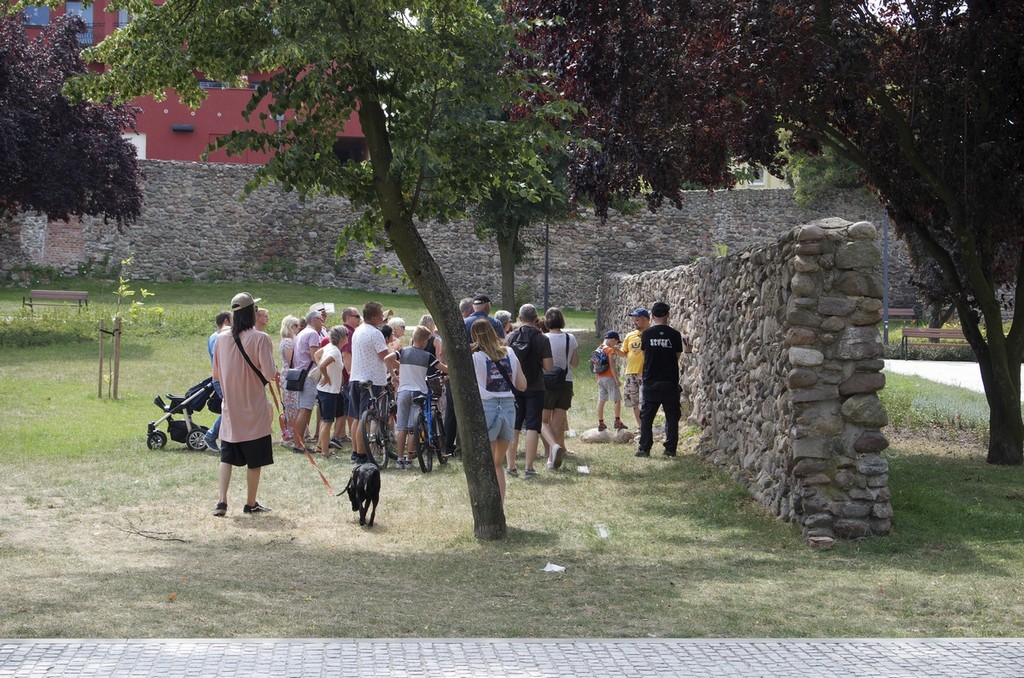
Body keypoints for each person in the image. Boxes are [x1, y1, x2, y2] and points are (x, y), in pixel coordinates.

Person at [211, 292, 277, 516]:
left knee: (226, 457)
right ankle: (250, 502)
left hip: (230, 407)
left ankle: (221, 501)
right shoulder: (260, 338)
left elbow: (216, 374)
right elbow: (269, 374)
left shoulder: (220, 339)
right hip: (254, 406)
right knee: (255, 460)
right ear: (252, 313)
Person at [470, 319, 526, 503]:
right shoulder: (509, 352)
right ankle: (499, 505)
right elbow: (522, 385)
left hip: (488, 407)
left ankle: (486, 505)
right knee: (497, 463)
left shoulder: (475, 357)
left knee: (486, 463)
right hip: (509, 408)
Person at [386, 325, 448, 468]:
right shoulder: (427, 356)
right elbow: (444, 369)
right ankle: (409, 458)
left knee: (401, 427)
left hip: (403, 392)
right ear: (425, 341)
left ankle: (399, 459)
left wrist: (394, 375)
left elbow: (387, 359)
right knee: (413, 428)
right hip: (418, 392)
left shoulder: (403, 352)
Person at [505, 303, 553, 478]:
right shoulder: (542, 339)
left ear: (519, 318)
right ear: (536, 319)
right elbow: (549, 367)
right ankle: (529, 468)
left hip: (514, 387)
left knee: (514, 426)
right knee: (533, 426)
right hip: (535, 386)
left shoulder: (510, 337)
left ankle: (511, 466)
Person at [636, 301, 684, 458]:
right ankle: (670, 449)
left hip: (651, 381)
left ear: (652, 316)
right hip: (670, 381)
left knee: (646, 417)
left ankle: (644, 448)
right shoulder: (675, 335)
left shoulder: (646, 334)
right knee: (672, 417)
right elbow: (677, 356)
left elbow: (645, 355)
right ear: (668, 315)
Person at [348, 301, 390, 464]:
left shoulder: (358, 331)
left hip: (356, 377)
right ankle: (361, 454)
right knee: (365, 419)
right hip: (371, 380)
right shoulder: (375, 333)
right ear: (373, 317)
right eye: (380, 314)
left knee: (357, 418)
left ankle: (355, 451)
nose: (382, 316)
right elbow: (385, 356)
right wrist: (396, 371)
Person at [542, 307, 579, 470]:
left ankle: (551, 450)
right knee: (557, 423)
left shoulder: (543, 338)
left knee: (543, 421)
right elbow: (575, 363)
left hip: (546, 383)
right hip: (565, 382)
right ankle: (553, 457)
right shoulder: (570, 338)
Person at [443, 298, 475, 458]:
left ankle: (448, 446)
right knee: (463, 410)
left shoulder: (452, 326)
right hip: (464, 372)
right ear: (469, 310)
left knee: (451, 411)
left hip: (453, 372)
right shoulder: (470, 325)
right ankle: (461, 447)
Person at [290, 310, 324, 454]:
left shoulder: (301, 333)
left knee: (301, 409)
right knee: (306, 409)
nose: (322, 323)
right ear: (314, 319)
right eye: (321, 319)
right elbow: (314, 355)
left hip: (300, 373)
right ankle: (298, 444)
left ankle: (298, 442)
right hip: (309, 375)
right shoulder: (313, 334)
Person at [313, 325, 348, 457]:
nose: (348, 337)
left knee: (325, 420)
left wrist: (324, 372)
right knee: (327, 421)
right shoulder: (335, 352)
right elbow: (322, 365)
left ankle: (320, 447)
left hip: (325, 390)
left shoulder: (329, 347)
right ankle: (325, 451)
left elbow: (317, 355)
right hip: (329, 391)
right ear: (341, 337)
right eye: (346, 335)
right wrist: (326, 376)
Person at [619, 307, 651, 429]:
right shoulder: (630, 335)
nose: (634, 322)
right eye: (634, 320)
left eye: (637, 319)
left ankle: (647, 426)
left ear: (645, 320)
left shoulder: (651, 333)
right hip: (631, 372)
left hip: (645, 373)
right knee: (634, 403)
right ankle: (641, 427)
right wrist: (616, 350)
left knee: (645, 402)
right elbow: (624, 353)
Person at [204, 311, 231, 452]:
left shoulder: (217, 336)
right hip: (221, 379)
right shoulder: (218, 338)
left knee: (232, 408)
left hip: (223, 378)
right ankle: (211, 435)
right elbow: (220, 359)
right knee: (230, 409)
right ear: (226, 321)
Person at [595, 330, 627, 432]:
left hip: (600, 378)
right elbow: (612, 367)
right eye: (616, 342)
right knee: (617, 399)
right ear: (613, 339)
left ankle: (601, 423)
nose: (616, 344)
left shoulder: (598, 349)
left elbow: (595, 366)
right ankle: (617, 421)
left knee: (601, 400)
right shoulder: (609, 350)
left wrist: (597, 379)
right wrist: (617, 380)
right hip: (609, 377)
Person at [277, 315, 301, 444]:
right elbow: (290, 360)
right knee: (291, 407)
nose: (298, 327)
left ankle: (293, 432)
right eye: (296, 325)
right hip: (290, 377)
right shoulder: (288, 342)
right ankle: (291, 433)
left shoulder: (288, 340)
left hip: (289, 375)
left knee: (291, 406)